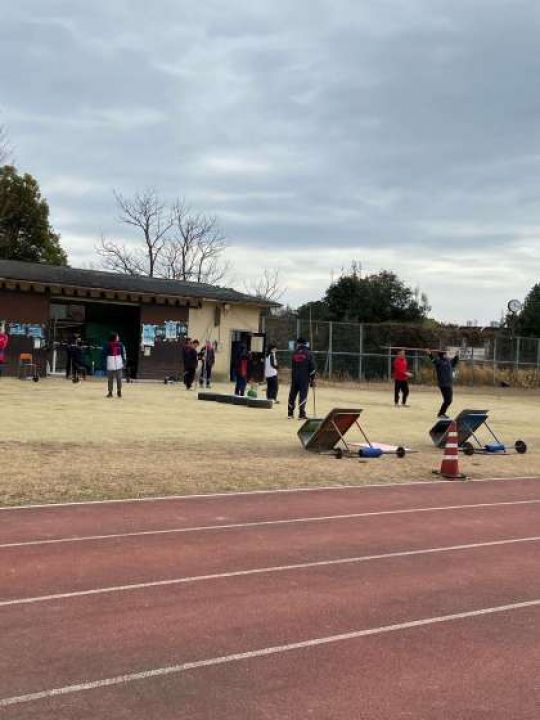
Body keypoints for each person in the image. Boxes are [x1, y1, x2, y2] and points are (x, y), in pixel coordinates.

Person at [288, 337, 316, 420]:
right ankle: (301, 414)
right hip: (304, 378)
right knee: (303, 395)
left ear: (298, 344)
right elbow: (313, 368)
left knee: (292, 395)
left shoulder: (294, 353)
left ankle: (290, 413)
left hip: (294, 377)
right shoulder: (309, 353)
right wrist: (312, 379)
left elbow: (293, 365)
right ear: (305, 343)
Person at [427, 348, 459, 418]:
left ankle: (441, 413)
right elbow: (433, 360)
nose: (447, 355)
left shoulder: (449, 361)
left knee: (449, 400)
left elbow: (455, 362)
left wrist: (456, 355)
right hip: (443, 384)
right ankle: (441, 414)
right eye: (446, 354)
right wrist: (429, 354)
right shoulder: (439, 362)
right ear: (443, 355)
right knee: (448, 400)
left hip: (449, 383)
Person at [104, 332, 127, 398]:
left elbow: (123, 353)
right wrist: (104, 362)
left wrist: (124, 361)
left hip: (119, 363)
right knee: (110, 379)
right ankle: (110, 392)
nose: (118, 337)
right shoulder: (107, 345)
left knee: (119, 378)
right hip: (110, 364)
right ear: (114, 337)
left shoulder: (121, 345)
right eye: (117, 336)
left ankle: (119, 391)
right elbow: (104, 354)